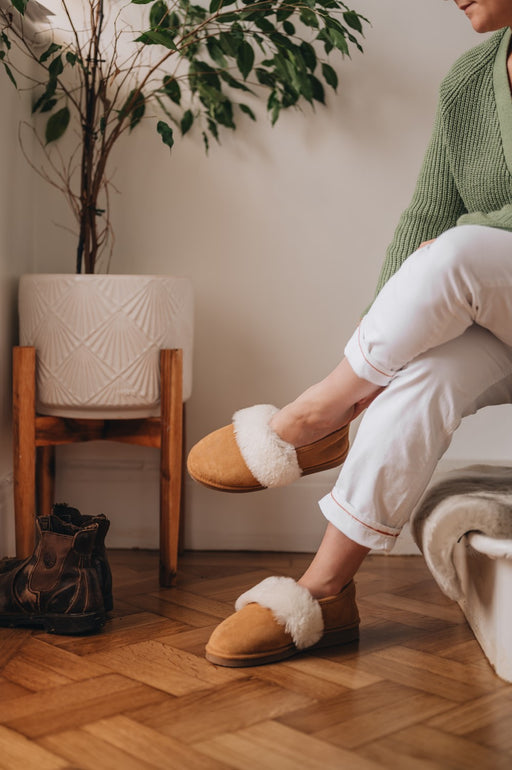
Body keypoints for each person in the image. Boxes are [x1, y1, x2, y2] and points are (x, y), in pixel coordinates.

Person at [188, 0, 512, 667]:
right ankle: (323, 593)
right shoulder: (471, 79)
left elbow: (456, 240)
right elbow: (425, 211)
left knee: (454, 251)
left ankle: (309, 420)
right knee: (422, 375)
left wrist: (467, 240)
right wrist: (393, 333)